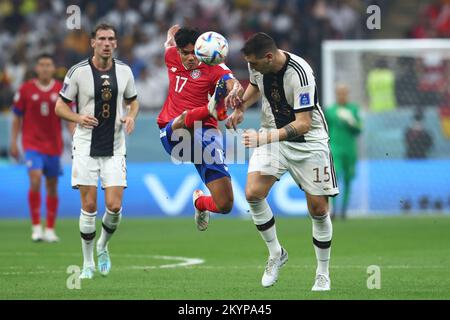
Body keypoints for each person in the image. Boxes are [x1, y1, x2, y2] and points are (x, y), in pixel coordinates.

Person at [227, 33, 338, 291]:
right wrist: (241, 106)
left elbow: (303, 123)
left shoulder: (301, 74)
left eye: (254, 63)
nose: (250, 68)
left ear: (268, 57)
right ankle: (276, 253)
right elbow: (256, 86)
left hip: (309, 143)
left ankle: (322, 273)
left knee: (319, 210)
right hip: (273, 135)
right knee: (253, 193)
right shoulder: (257, 64)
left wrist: (263, 138)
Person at [55, 23, 139, 279]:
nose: (106, 42)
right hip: (85, 146)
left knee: (113, 207)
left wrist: (131, 116)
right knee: (89, 206)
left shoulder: (124, 71)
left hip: (114, 147)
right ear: (92, 43)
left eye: (110, 38)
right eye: (101, 38)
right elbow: (60, 106)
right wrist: (78, 117)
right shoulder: (78, 72)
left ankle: (103, 245)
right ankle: (88, 262)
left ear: (115, 43)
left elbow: (133, 101)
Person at [158, 25, 244, 230]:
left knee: (225, 204)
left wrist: (234, 91)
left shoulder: (213, 65)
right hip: (173, 130)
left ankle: (199, 203)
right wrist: (173, 32)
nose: (190, 58)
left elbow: (232, 83)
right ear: (177, 50)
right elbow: (172, 33)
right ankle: (211, 108)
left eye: (193, 53)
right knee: (183, 120)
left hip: (207, 135)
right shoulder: (170, 55)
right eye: (184, 53)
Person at [10, 53, 75, 243]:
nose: (45, 68)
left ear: (53, 68)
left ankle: (50, 229)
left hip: (54, 146)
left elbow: (69, 116)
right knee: (36, 178)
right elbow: (16, 117)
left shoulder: (61, 90)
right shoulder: (25, 90)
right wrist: (14, 141)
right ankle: (36, 226)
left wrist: (74, 136)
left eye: (48, 65)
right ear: (36, 68)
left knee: (52, 185)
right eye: (42, 65)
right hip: (31, 143)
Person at [325, 84, 362, 219]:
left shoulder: (353, 109)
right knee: (335, 177)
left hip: (350, 149)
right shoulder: (330, 111)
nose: (342, 96)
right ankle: (333, 210)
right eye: (339, 93)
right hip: (335, 148)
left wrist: (352, 122)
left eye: (344, 93)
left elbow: (359, 130)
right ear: (336, 94)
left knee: (347, 179)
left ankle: (344, 210)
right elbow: (325, 129)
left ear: (347, 94)